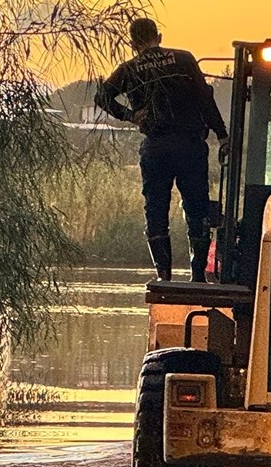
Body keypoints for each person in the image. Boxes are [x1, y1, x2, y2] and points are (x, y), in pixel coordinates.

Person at [95, 18, 229, 281]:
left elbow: (102, 96)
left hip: (156, 147)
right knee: (197, 208)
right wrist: (222, 134)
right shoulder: (183, 60)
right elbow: (205, 98)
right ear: (159, 36)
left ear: (132, 44)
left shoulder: (130, 69)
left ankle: (163, 275)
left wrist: (130, 115)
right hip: (190, 145)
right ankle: (198, 275)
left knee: (156, 209)